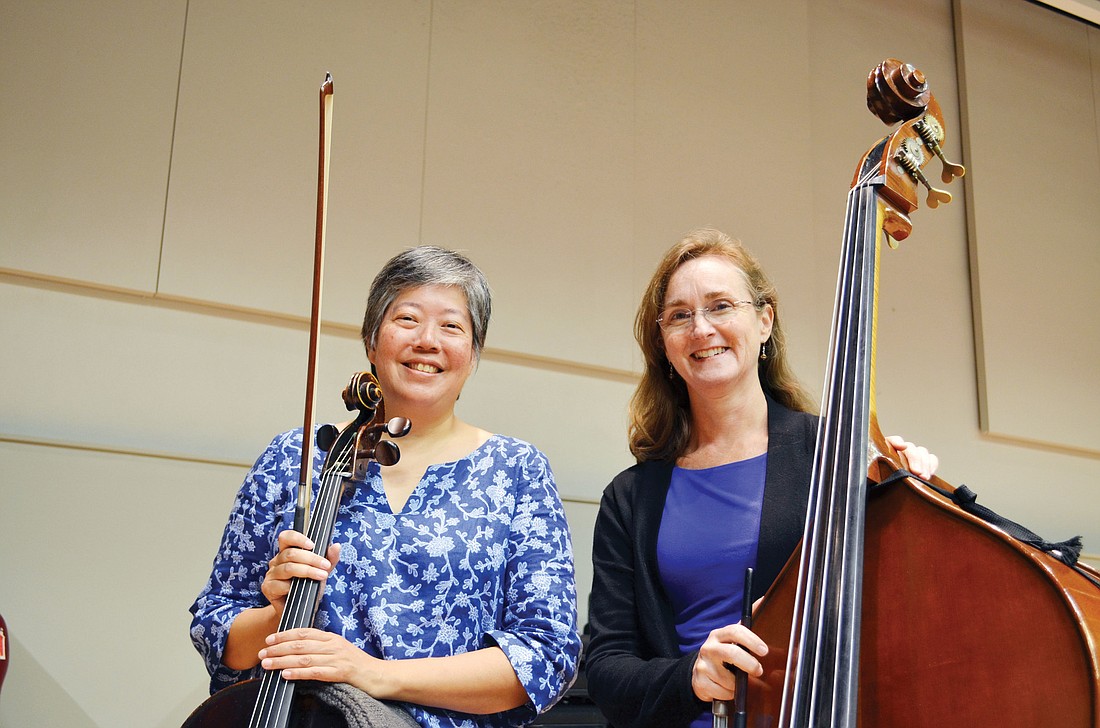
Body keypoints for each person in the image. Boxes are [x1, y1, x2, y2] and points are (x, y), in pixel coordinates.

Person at [189, 246, 581, 728]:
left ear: (473, 355)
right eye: (407, 318)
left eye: (452, 326)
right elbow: (216, 630)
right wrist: (277, 614)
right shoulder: (296, 457)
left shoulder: (518, 470)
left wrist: (374, 675)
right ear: (372, 341)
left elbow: (544, 655)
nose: (427, 341)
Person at [584, 228, 937, 728]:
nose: (701, 328)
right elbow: (606, 667)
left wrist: (915, 494)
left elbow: (914, 612)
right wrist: (692, 676)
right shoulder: (630, 497)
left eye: (722, 306)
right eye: (680, 315)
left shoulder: (835, 456)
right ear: (664, 343)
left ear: (765, 320)